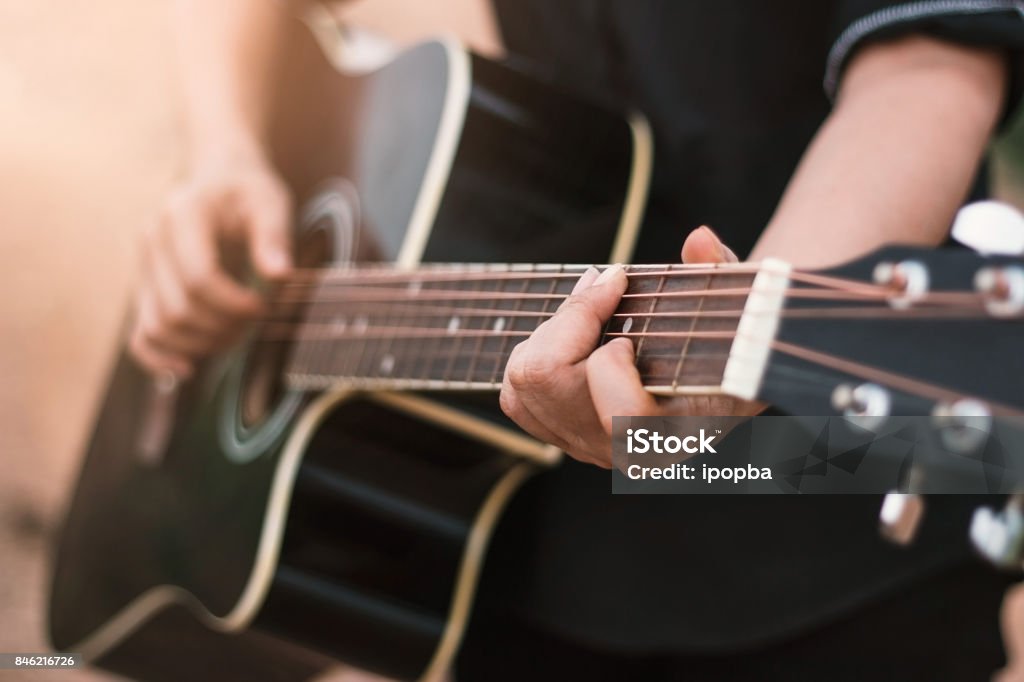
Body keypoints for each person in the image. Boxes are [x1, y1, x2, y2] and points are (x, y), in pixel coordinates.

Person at [132, 0, 1024, 679]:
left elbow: (927, 65)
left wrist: (744, 351)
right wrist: (223, 148)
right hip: (496, 540)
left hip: (829, 540)